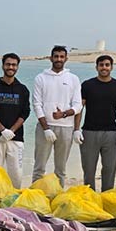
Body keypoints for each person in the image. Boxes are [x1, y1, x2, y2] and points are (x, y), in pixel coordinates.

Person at [74, 55, 116, 191]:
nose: (104, 67)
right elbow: (80, 108)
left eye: (107, 65)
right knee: (89, 169)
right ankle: (90, 198)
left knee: (110, 169)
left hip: (111, 133)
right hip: (89, 132)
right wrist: (76, 129)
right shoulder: (87, 85)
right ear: (96, 67)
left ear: (111, 67)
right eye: (101, 65)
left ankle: (106, 197)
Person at [32, 45, 82, 187]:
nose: (58, 59)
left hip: (66, 128)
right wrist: (46, 128)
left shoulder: (73, 79)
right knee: (39, 168)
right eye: (56, 56)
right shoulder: (40, 78)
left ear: (66, 58)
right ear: (51, 58)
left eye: (61, 56)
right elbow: (37, 104)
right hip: (44, 128)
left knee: (60, 170)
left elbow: (78, 105)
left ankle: (58, 197)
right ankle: (34, 197)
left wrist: (64, 114)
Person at [0, 53, 31, 188]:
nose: (11, 67)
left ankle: (14, 200)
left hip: (16, 138)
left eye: (14, 65)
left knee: (16, 174)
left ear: (17, 67)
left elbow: (25, 112)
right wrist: (2, 130)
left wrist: (11, 130)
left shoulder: (22, 89)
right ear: (3, 66)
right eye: (8, 64)